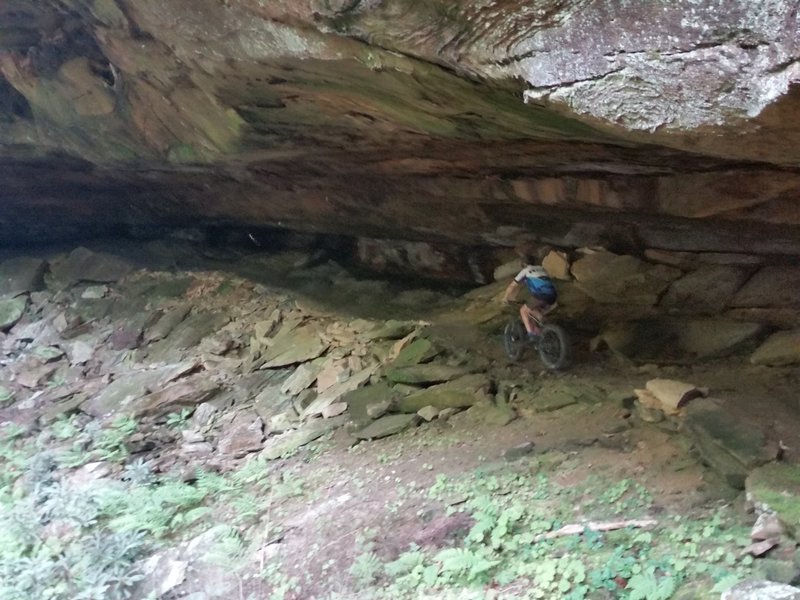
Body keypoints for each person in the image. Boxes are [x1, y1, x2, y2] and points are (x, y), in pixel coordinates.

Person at [502, 249, 558, 340]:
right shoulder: (542, 268)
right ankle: (544, 331)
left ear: (523, 264)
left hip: (540, 295)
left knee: (523, 310)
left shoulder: (526, 271)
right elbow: (522, 285)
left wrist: (505, 298)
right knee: (533, 309)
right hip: (553, 295)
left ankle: (531, 333)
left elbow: (513, 286)